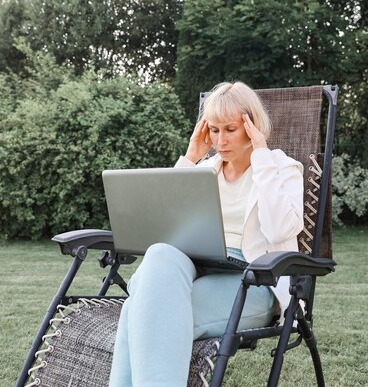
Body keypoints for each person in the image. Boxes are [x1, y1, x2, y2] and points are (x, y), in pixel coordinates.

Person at [108, 81, 304, 387]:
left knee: (140, 313)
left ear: (251, 126)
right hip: (199, 270)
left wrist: (262, 155)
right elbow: (165, 227)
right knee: (160, 253)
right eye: (214, 130)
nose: (220, 140)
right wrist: (190, 157)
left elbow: (281, 228)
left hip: (255, 283)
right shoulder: (205, 170)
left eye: (230, 129)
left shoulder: (281, 167)